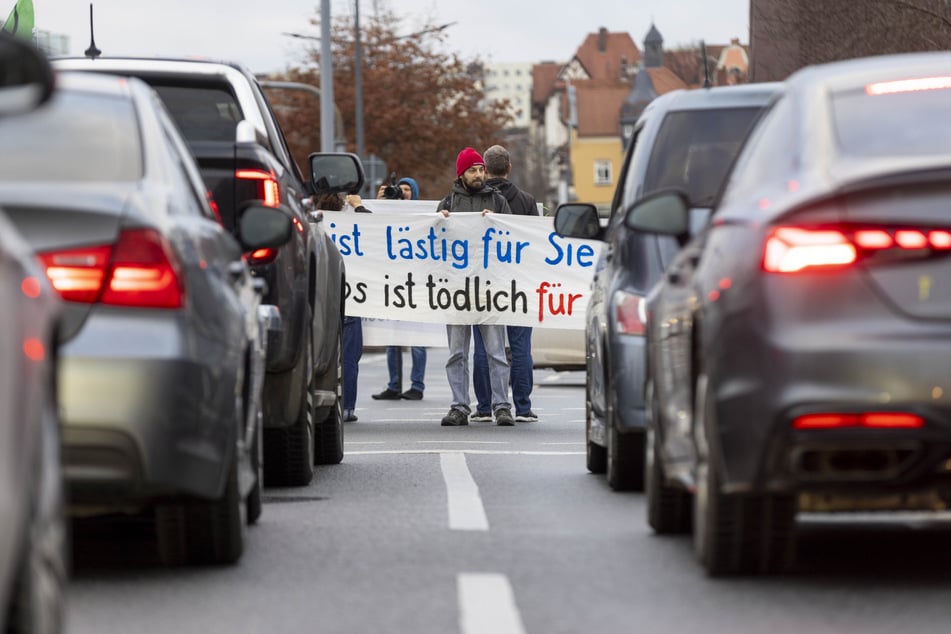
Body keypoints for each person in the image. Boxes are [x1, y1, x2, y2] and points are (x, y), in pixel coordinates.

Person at [436, 148, 514, 427]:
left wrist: (497, 222)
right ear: (461, 174)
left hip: (489, 290)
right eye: (473, 170)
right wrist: (440, 221)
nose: (479, 174)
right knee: (457, 353)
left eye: (481, 169)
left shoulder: (498, 201)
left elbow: (511, 239)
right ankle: (459, 406)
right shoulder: (448, 203)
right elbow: (434, 246)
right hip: (456, 290)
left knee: (496, 352)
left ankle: (502, 406)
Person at [471, 145, 540, 423]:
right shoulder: (526, 201)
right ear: (509, 168)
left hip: (484, 284)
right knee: (520, 347)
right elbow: (536, 243)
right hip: (519, 284)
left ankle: (484, 406)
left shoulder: (476, 199)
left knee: (483, 347)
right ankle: (522, 406)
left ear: (485, 169)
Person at [370, 176, 428, 401]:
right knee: (391, 339)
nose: (403, 193)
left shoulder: (422, 216)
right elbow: (372, 228)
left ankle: (417, 386)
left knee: (417, 341)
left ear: (415, 193)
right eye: (400, 189)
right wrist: (379, 204)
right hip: (393, 285)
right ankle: (394, 385)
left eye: (407, 189)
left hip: (416, 286)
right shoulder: (387, 215)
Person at [314, 191, 371, 422]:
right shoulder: (352, 222)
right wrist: (359, 208)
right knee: (348, 358)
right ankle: (346, 408)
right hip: (351, 299)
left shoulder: (313, 225)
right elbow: (376, 233)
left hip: (321, 299)